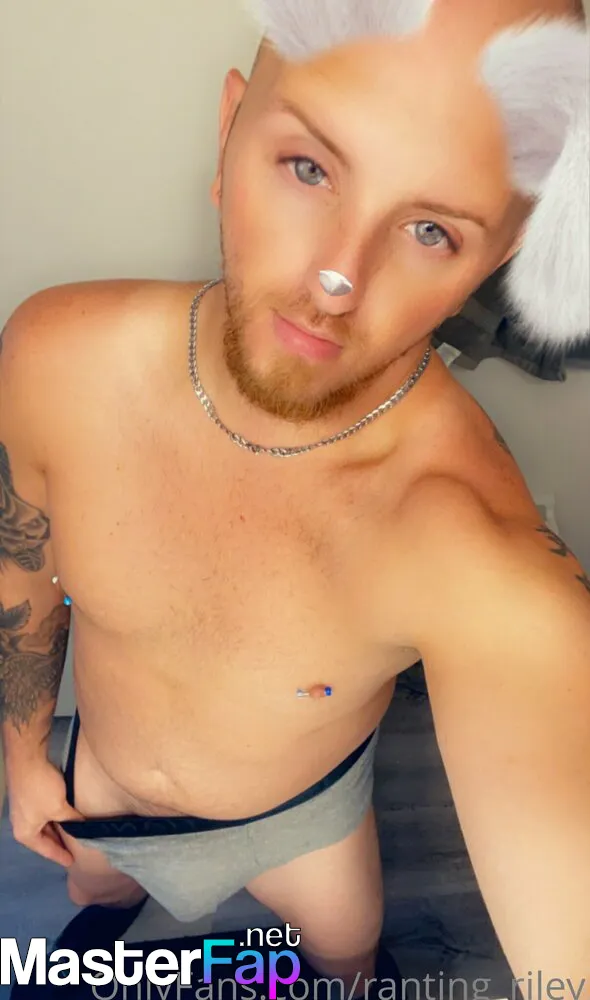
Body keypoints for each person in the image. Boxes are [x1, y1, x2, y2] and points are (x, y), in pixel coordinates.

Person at [1, 0, 589, 988]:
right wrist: (23, 755)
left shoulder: (468, 542)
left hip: (306, 829)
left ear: (495, 261)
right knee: (93, 903)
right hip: (100, 794)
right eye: (308, 167)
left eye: (431, 230)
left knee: (342, 965)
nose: (335, 280)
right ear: (228, 135)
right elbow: (21, 558)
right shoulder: (53, 359)